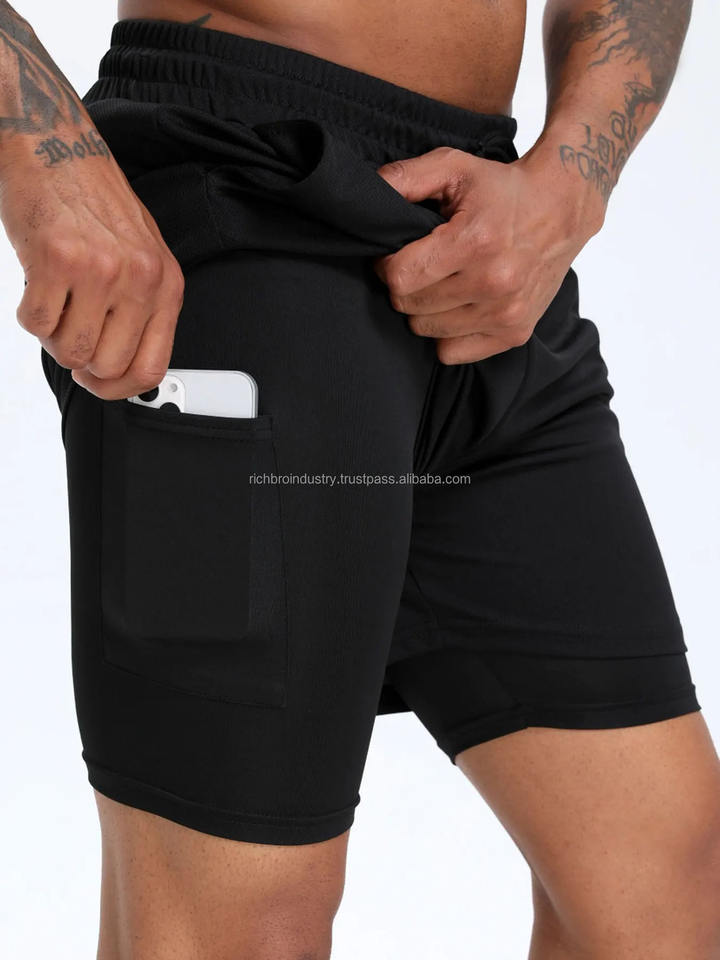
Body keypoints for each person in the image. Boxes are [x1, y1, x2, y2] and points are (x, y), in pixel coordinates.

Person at [2, 1, 719, 957]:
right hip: (244, 207)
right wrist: (46, 163)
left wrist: (571, 181)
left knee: (670, 888)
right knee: (245, 930)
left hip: (488, 249)